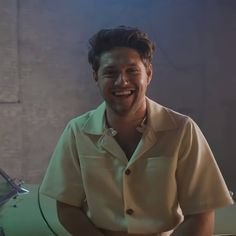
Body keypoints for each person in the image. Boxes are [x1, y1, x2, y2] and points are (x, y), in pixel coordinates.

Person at [40, 26, 234, 236]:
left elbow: (201, 213)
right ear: (96, 77)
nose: (121, 81)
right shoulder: (77, 131)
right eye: (110, 72)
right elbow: (67, 208)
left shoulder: (182, 129)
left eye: (132, 71)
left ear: (148, 74)